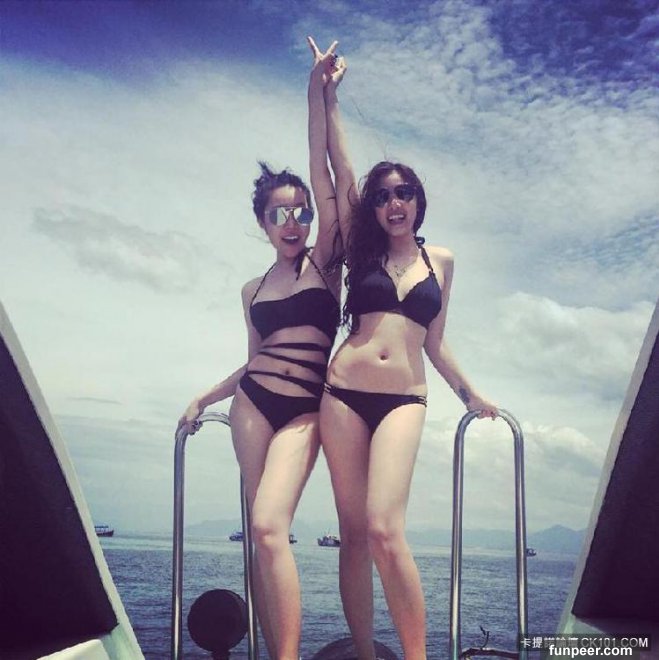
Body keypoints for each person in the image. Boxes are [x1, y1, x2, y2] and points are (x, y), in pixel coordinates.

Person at [307, 36, 498, 660]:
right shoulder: (359, 248)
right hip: (341, 395)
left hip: (403, 401)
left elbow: (434, 343)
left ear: (418, 201)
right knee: (353, 535)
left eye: (404, 193)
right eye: (384, 195)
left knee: (386, 530)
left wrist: (470, 394)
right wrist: (326, 94)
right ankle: (366, 652)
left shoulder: (441, 260)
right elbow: (337, 166)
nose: (394, 203)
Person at [178, 42, 342, 660]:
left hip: (304, 409)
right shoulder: (252, 289)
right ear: (264, 222)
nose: (293, 221)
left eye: (301, 212)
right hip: (251, 404)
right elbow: (254, 359)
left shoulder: (325, 264)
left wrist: (318, 92)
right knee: (257, 536)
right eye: (280, 214)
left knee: (272, 526)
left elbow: (323, 172)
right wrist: (204, 396)